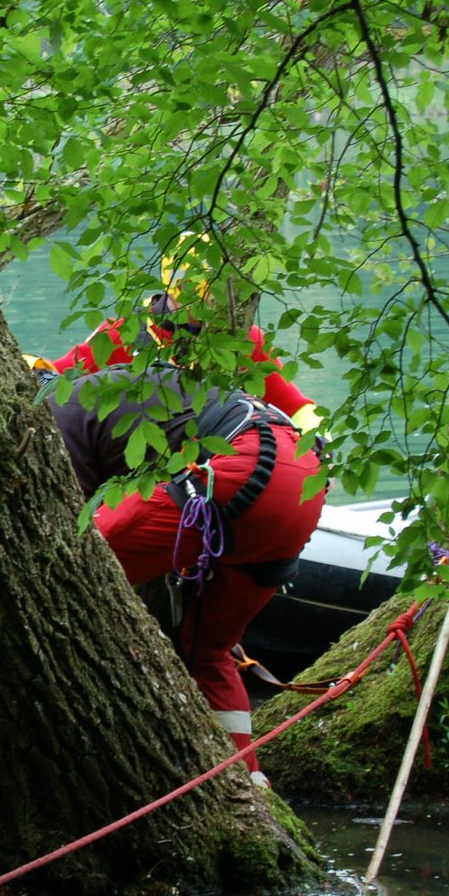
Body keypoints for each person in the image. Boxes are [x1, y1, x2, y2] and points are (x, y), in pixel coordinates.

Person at [44, 362, 327, 786]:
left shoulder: (55, 411)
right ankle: (247, 782)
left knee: (67, 565)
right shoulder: (117, 385)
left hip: (245, 469)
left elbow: (68, 521)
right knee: (209, 653)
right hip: (305, 481)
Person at [47, 233, 323, 432]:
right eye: (197, 297)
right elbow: (57, 377)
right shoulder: (123, 334)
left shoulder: (244, 338)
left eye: (213, 297)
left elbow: (296, 407)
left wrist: (320, 450)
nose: (205, 309)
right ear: (173, 288)